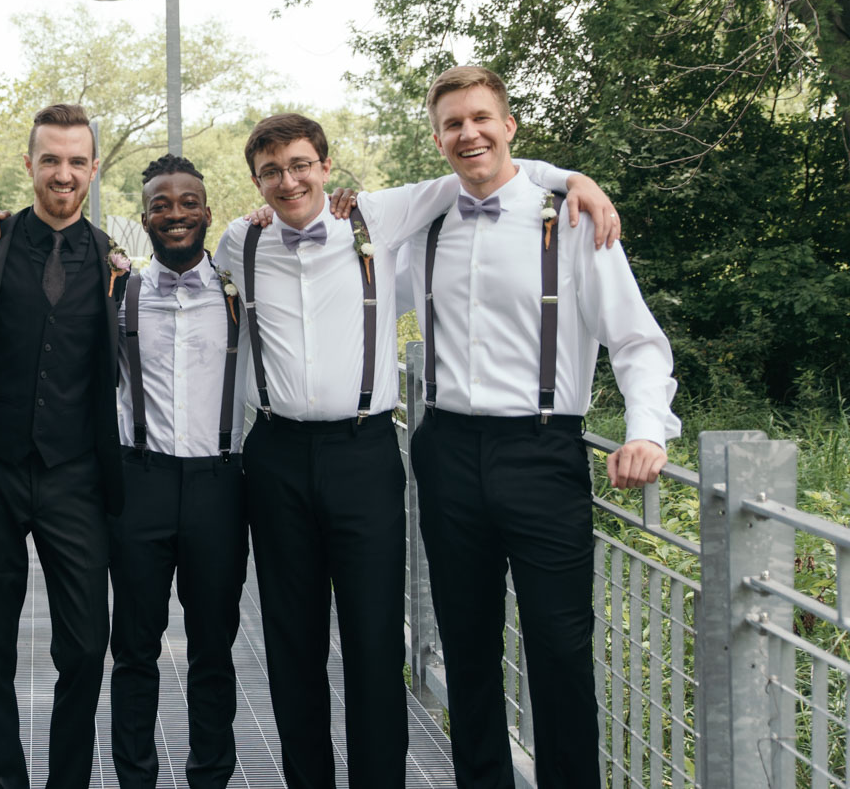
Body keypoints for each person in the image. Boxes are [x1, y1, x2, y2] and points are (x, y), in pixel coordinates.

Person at [214, 112, 617, 789]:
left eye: (302, 164)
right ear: (256, 182)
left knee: (374, 644)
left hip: (365, 451)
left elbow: (481, 169)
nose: (289, 181)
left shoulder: (380, 217)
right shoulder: (239, 241)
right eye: (272, 172)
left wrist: (575, 179)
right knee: (292, 644)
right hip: (276, 457)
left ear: (326, 166)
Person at [402, 66, 675, 789]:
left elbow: (639, 341)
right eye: (454, 123)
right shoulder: (421, 224)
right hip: (447, 448)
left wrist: (647, 430)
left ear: (509, 125)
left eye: (481, 117)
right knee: (466, 647)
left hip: (544, 449)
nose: (469, 133)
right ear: (438, 139)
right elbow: (336, 258)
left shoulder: (575, 219)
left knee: (559, 649)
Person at [0, 103, 126, 789]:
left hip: (75, 476)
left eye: (76, 161)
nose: (63, 173)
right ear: (28, 165)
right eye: (50, 159)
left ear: (92, 168)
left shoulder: (113, 259)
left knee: (86, 648)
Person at [108, 154, 248, 789]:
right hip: (140, 482)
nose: (175, 213)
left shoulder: (241, 293)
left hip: (221, 486)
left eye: (187, 202)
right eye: (161, 204)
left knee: (214, 650)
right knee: (134, 649)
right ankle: (135, 778)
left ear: (207, 212)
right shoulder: (121, 292)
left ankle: (210, 777)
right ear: (145, 218)